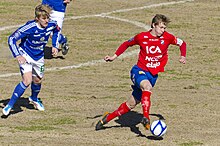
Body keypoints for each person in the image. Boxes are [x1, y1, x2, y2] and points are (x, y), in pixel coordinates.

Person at [95, 14, 187, 131]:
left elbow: (182, 43)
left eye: (164, 28)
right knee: (147, 87)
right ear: (154, 25)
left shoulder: (168, 37)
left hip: (153, 75)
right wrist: (114, 56)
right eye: (161, 27)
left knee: (130, 105)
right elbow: (126, 43)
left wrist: (183, 56)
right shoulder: (141, 37)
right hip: (139, 71)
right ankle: (146, 118)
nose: (163, 30)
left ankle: (108, 117)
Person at [2, 4, 61, 116]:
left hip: (39, 57)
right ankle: (9, 106)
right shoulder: (30, 27)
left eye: (48, 18)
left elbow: (57, 30)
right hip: (26, 55)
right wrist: (18, 55)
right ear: (37, 18)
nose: (47, 21)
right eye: (44, 18)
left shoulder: (52, 24)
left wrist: (54, 45)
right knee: (27, 80)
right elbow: (11, 39)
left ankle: (34, 98)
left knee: (38, 80)